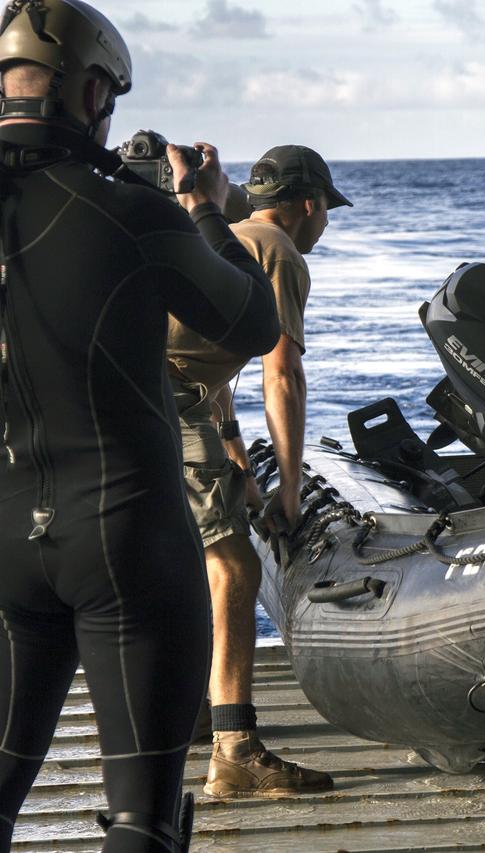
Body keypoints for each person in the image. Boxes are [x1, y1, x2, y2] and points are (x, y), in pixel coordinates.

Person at [0, 0, 279, 848]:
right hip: (128, 539)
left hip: (5, 540)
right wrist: (204, 206)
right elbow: (251, 324)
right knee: (142, 822)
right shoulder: (135, 211)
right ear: (89, 94)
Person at [167, 145, 350, 797]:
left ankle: (190, 710)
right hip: (164, 396)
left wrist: (241, 464)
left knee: (187, 554)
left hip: (143, 390)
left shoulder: (229, 236)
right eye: (328, 209)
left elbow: (207, 358)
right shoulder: (279, 251)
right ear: (310, 205)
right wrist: (291, 488)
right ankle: (236, 751)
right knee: (236, 565)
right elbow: (283, 374)